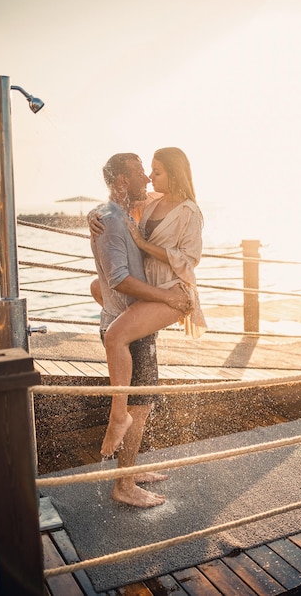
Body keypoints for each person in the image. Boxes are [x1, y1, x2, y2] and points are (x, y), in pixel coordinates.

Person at [90, 147, 207, 459]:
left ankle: (119, 419)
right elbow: (115, 207)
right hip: (149, 291)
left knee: (116, 337)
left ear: (174, 173)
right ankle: (130, 473)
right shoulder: (151, 202)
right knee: (95, 287)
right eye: (149, 171)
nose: (150, 177)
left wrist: (143, 245)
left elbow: (190, 260)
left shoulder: (189, 212)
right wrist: (92, 215)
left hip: (172, 290)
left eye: (156, 172)